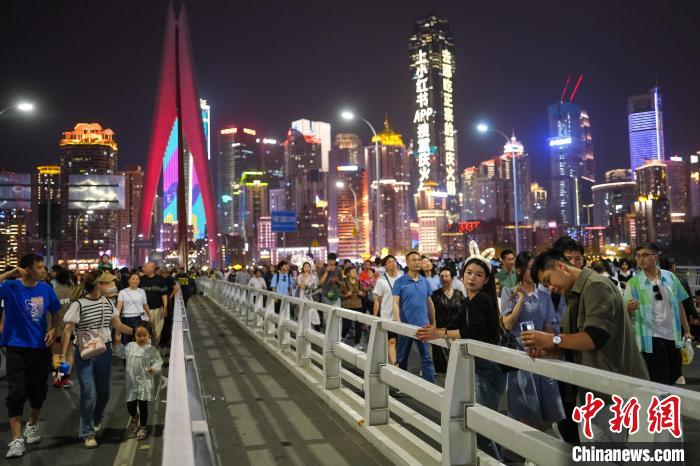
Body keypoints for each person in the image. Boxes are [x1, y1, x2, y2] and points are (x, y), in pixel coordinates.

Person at [521, 248, 649, 444]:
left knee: (607, 454)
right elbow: (573, 341)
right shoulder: (575, 295)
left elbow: (593, 337)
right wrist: (546, 348)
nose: (550, 288)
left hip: (613, 389)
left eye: (548, 280)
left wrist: (550, 340)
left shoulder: (597, 286)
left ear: (560, 266)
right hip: (594, 387)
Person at [416, 241, 504, 460]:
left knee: (481, 425)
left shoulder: (481, 299)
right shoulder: (468, 300)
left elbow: (469, 331)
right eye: (468, 272)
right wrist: (436, 330)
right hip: (479, 365)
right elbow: (455, 324)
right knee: (481, 422)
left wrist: (440, 334)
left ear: (486, 280)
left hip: (488, 368)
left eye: (478, 275)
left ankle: (497, 461)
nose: (472, 278)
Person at [59, 270, 134, 448]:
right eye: (109, 283)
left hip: (104, 350)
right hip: (83, 351)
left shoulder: (108, 303)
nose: (113, 286)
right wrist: (62, 356)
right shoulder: (79, 304)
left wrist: (139, 332)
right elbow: (68, 329)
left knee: (104, 392)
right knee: (88, 393)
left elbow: (118, 325)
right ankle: (87, 432)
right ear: (99, 285)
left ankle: (97, 417)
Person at [0, 255, 62, 459]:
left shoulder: (46, 289)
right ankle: (17, 440)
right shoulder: (10, 286)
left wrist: (54, 329)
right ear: (27, 269)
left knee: (39, 391)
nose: (45, 271)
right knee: (16, 392)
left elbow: (55, 312)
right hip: (16, 347)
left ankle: (32, 425)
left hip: (40, 347)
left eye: (44, 267)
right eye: (40, 267)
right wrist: (9, 273)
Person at [500, 251, 564, 431]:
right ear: (519, 270)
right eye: (529, 268)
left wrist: (549, 349)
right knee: (523, 410)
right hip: (520, 358)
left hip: (541, 355)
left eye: (535, 268)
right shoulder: (508, 292)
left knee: (546, 412)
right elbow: (507, 324)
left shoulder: (544, 295)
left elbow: (549, 326)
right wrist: (520, 299)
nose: (533, 272)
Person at [623, 243, 691, 385]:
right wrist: (628, 307)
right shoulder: (634, 283)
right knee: (659, 378)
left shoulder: (670, 277)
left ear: (655, 257)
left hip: (673, 335)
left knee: (673, 375)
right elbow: (625, 312)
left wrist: (687, 331)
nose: (641, 259)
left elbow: (679, 305)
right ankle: (658, 405)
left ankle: (663, 404)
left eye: (645, 255)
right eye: (638, 256)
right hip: (650, 337)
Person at [113, 321, 163, 441]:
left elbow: (158, 362)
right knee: (130, 405)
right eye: (138, 335)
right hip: (131, 383)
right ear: (134, 336)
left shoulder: (151, 350)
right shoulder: (130, 346)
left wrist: (154, 369)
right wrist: (118, 342)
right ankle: (135, 416)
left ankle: (143, 427)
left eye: (144, 335)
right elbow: (120, 354)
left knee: (143, 405)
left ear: (149, 335)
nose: (141, 338)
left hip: (145, 383)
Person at [393, 251, 436, 383]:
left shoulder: (425, 282)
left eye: (418, 260)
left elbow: (430, 303)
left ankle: (430, 385)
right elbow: (395, 303)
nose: (417, 262)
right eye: (414, 260)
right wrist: (398, 322)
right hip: (406, 326)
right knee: (402, 358)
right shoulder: (400, 282)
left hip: (423, 326)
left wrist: (433, 323)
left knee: (427, 357)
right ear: (407, 263)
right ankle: (400, 385)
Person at [430, 267, 464, 374]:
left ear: (452, 278)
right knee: (442, 367)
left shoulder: (459, 294)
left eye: (447, 276)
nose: (444, 278)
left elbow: (464, 313)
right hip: (440, 332)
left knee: (457, 366)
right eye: (442, 276)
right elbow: (431, 313)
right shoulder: (435, 295)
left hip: (456, 333)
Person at [372, 255, 403, 365]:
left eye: (394, 261)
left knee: (402, 342)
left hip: (402, 315)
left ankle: (400, 362)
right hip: (387, 315)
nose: (392, 263)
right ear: (385, 265)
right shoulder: (382, 281)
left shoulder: (402, 277)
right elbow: (377, 300)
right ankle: (395, 364)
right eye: (389, 262)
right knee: (392, 340)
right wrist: (375, 316)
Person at [52, 268, 76, 388]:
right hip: (69, 328)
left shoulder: (53, 292)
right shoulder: (72, 292)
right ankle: (64, 378)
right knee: (68, 354)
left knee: (57, 355)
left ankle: (59, 378)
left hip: (55, 329)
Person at [116, 272, 152, 346]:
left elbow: (145, 305)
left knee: (139, 339)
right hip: (126, 319)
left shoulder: (142, 291)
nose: (135, 281)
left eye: (137, 279)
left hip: (139, 318)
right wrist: (116, 318)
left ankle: (138, 356)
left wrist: (150, 315)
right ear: (128, 280)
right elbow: (119, 306)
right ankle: (128, 356)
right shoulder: (122, 292)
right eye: (133, 279)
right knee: (127, 340)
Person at [138, 263, 168, 347]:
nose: (143, 269)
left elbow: (164, 295)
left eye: (145, 267)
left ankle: (154, 347)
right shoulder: (141, 280)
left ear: (152, 268)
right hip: (144, 311)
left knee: (157, 331)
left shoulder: (160, 279)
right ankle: (147, 348)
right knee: (146, 331)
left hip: (158, 309)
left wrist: (165, 308)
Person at [339, 267, 365, 346]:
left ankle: (357, 343)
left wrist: (362, 294)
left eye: (355, 271)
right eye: (353, 271)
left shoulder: (359, 282)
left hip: (358, 306)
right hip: (347, 306)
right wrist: (346, 295)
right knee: (346, 325)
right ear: (348, 274)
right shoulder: (344, 283)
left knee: (358, 326)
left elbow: (364, 293)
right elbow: (340, 294)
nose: (355, 273)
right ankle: (342, 337)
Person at [296, 262, 320, 329]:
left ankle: (312, 329)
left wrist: (311, 288)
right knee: (303, 312)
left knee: (312, 312)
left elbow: (315, 286)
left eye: (308, 266)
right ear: (303, 268)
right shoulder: (300, 276)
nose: (306, 268)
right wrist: (305, 283)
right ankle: (304, 329)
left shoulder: (314, 277)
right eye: (305, 267)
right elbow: (300, 285)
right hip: (303, 295)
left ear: (310, 268)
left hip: (311, 296)